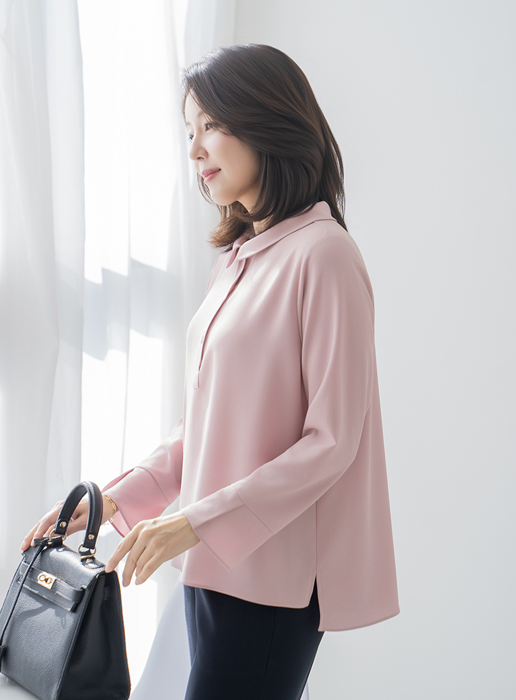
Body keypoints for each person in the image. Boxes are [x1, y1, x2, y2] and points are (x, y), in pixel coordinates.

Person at [21, 43, 400, 700]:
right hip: (212, 565)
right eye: (189, 131)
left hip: (273, 579)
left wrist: (192, 521)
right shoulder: (241, 258)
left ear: (269, 123)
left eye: (212, 125)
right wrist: (113, 499)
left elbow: (331, 442)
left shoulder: (325, 256)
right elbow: (202, 428)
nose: (195, 149)